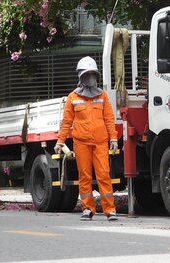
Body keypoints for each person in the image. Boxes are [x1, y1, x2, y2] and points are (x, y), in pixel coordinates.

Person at [54, 56, 119, 221]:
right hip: (81, 142)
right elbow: (67, 121)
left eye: (92, 74)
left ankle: (109, 210)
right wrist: (60, 141)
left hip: (100, 142)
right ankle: (87, 209)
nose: (89, 78)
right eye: (86, 74)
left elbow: (109, 119)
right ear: (80, 76)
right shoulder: (73, 97)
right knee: (85, 176)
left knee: (104, 174)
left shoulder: (102, 96)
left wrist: (113, 139)